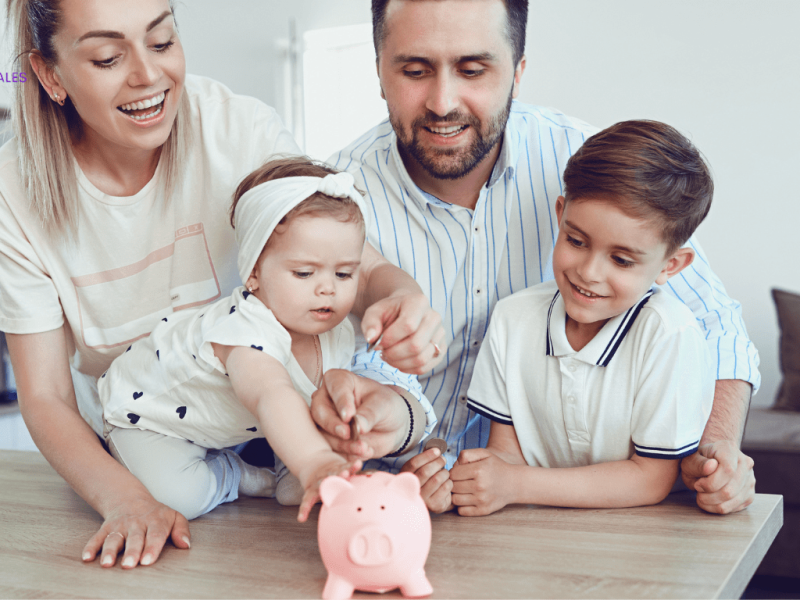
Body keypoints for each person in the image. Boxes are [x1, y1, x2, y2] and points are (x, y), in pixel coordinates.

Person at [0, 0, 443, 569]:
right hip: (144, 439)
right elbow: (45, 396)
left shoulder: (237, 129)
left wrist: (400, 295)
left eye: (162, 42)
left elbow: (353, 261)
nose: (148, 75)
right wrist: (129, 501)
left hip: (264, 424)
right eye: (109, 57)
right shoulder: (15, 193)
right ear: (50, 74)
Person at [318, 0, 758, 516]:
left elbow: (715, 323)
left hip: (560, 507)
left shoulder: (583, 163)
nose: (442, 102)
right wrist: (417, 449)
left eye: (472, 69)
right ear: (378, 70)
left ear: (517, 72)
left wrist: (718, 448)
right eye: (415, 70)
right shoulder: (333, 200)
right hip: (386, 504)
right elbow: (328, 369)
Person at [449, 120, 715, 514]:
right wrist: (474, 480)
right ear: (561, 214)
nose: (589, 272)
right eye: (576, 240)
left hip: (639, 543)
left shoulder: (669, 335)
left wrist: (515, 484)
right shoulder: (512, 319)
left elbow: (651, 478)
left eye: (621, 260)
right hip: (532, 537)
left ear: (671, 265)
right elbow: (505, 455)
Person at [100, 157, 381, 523]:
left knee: (303, 473)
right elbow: (271, 394)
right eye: (304, 272)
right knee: (178, 498)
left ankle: (285, 469)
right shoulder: (245, 330)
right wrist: (314, 461)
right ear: (253, 274)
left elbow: (311, 400)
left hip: (232, 423)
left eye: (344, 273)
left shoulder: (337, 330)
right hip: (149, 419)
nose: (328, 288)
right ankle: (235, 473)